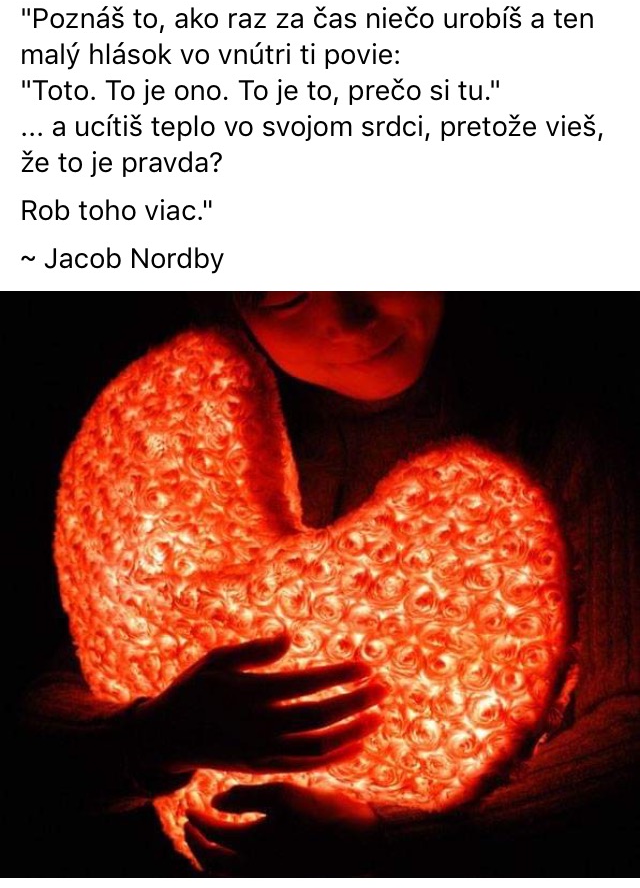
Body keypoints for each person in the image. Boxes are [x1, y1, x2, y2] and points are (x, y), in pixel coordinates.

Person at [22, 292, 639, 876]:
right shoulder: (183, 455)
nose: (347, 316)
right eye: (286, 296)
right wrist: (151, 739)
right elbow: (48, 713)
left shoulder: (563, 438)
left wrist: (388, 844)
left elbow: (629, 727)